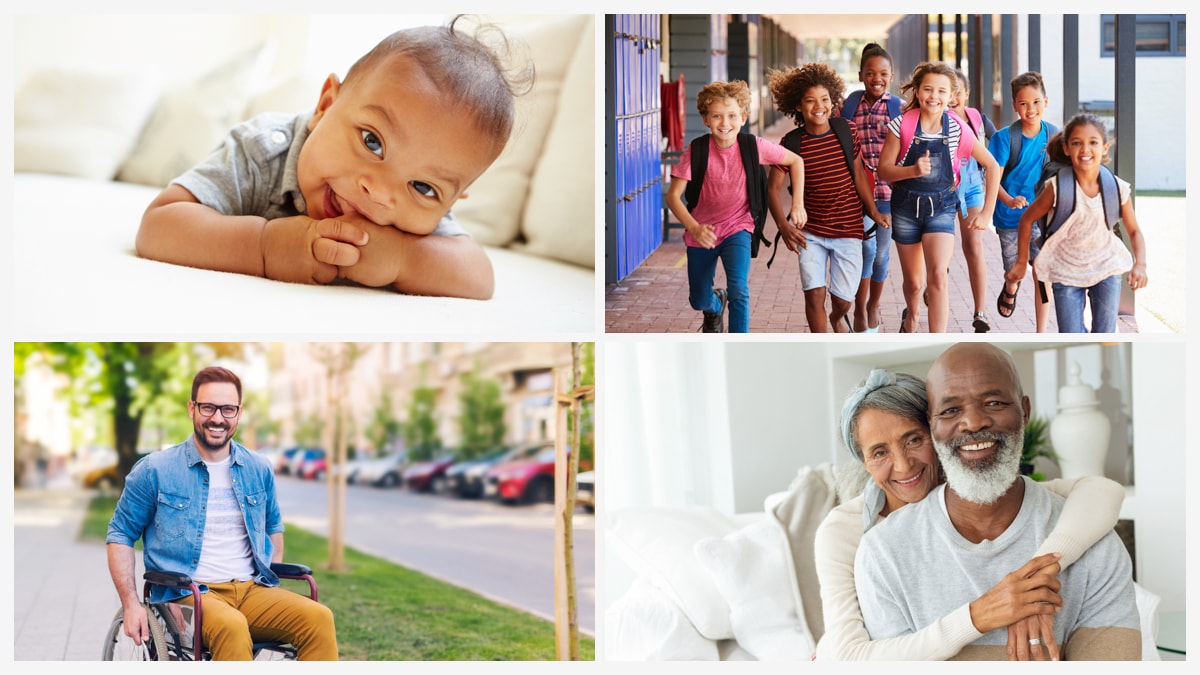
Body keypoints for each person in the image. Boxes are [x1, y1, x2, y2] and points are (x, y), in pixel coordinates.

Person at [135, 17, 527, 300]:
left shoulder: (419, 220)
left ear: (451, 202)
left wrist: (404, 259)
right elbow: (159, 226)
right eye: (372, 142)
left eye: (423, 187)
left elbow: (478, 278)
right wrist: (263, 246)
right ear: (325, 105)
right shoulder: (261, 150)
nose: (379, 193)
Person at [854, 343, 1141, 659]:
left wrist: (1038, 576)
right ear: (932, 424)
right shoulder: (882, 551)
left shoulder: (1095, 545)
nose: (974, 423)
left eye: (993, 402)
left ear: (1025, 411)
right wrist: (984, 613)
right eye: (951, 410)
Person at [106, 366, 338, 660]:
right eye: (208, 407)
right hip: (187, 594)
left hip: (251, 591)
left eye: (228, 409)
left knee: (319, 618)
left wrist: (270, 576)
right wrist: (131, 604)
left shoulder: (258, 468)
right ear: (192, 408)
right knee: (231, 625)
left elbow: (272, 527)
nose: (218, 418)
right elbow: (120, 534)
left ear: (239, 413)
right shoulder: (155, 469)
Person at [664, 79, 804, 333]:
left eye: (732, 115)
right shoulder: (697, 150)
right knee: (698, 300)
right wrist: (694, 228)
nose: (725, 123)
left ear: (743, 117)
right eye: (717, 116)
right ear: (706, 120)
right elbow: (673, 196)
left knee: (739, 289)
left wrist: (797, 204)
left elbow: (796, 161)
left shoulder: (753, 146)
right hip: (702, 232)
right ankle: (715, 303)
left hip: (738, 228)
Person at [876, 62, 1001, 333]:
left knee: (938, 279)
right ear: (918, 92)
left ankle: (938, 342)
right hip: (906, 209)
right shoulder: (901, 125)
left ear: (952, 96)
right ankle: (911, 314)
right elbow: (883, 170)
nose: (934, 96)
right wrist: (912, 170)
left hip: (942, 208)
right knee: (914, 283)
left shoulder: (957, 128)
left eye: (942, 91)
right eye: (928, 89)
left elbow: (992, 165)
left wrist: (987, 212)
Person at [766, 62, 888, 333]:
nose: (818, 106)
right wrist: (784, 227)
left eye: (824, 99)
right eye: (810, 101)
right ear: (798, 106)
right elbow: (772, 188)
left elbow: (858, 174)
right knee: (814, 294)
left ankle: (836, 317)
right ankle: (823, 343)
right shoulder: (791, 143)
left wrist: (873, 211)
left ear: (833, 102)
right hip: (809, 231)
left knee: (842, 300)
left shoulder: (846, 131)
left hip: (848, 228)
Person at [1004, 113, 1148, 333]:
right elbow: (1027, 219)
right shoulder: (1056, 187)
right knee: (1071, 336)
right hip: (1066, 270)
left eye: (1093, 143)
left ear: (1105, 147)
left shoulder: (1116, 188)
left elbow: (1134, 231)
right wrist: (1022, 261)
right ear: (1066, 148)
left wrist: (1141, 264)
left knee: (1104, 336)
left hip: (1106, 268)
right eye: (1077, 143)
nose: (1085, 149)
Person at [841, 43, 900, 333]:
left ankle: (873, 305)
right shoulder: (850, 105)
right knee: (865, 249)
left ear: (892, 75)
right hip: (859, 194)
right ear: (861, 74)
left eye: (883, 73)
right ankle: (860, 309)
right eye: (871, 73)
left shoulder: (899, 107)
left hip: (890, 195)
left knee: (881, 254)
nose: (877, 78)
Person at [989, 72, 1055, 330]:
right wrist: (1008, 199)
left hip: (1041, 218)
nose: (1031, 109)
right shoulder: (1004, 138)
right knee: (1014, 270)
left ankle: (1041, 330)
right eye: (1024, 103)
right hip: (1010, 218)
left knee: (1042, 273)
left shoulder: (1053, 136)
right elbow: (991, 179)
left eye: (1036, 102)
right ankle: (1010, 286)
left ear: (1046, 102)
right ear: (1015, 105)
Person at [950, 68, 998, 333]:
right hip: (943, 191)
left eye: (959, 90)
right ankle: (936, 279)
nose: (954, 96)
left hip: (972, 189)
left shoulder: (977, 118)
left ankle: (981, 312)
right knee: (939, 250)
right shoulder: (936, 119)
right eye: (950, 90)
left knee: (974, 245)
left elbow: (1000, 143)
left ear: (967, 93)